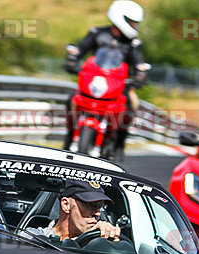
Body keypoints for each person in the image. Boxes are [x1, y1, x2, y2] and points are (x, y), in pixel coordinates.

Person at [63, 0, 148, 158]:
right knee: (72, 99)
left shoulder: (133, 43)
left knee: (131, 104)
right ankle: (70, 135)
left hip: (119, 85)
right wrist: (72, 60)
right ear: (120, 18)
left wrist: (139, 76)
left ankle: (118, 141)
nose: (135, 27)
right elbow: (80, 50)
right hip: (94, 82)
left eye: (136, 23)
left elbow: (139, 64)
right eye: (132, 23)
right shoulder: (97, 33)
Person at [33, 180, 121, 242]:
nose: (97, 213)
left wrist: (110, 240)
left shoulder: (99, 243)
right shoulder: (34, 237)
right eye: (89, 205)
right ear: (66, 205)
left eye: (100, 206)